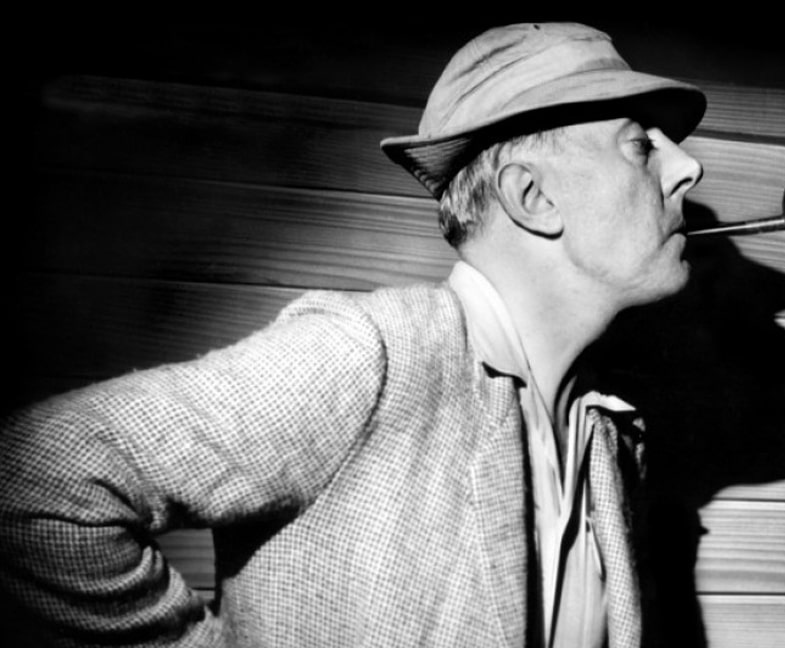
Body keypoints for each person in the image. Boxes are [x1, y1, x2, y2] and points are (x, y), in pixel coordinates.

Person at [0, 22, 705, 647]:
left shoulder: (607, 433)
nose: (688, 167)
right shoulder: (375, 356)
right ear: (533, 197)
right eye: (641, 145)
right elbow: (33, 477)